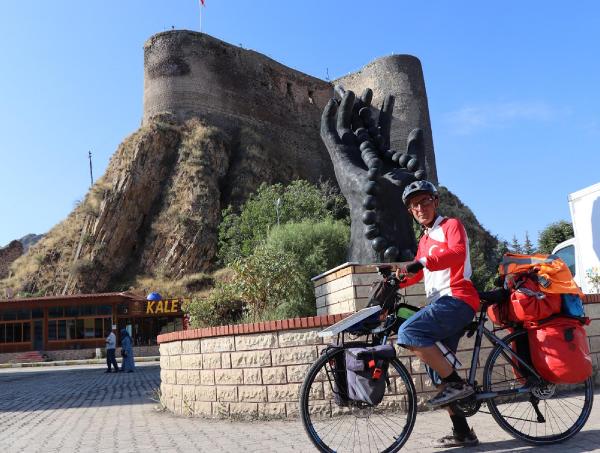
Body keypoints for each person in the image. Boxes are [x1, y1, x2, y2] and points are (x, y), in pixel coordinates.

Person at [395, 180, 480, 448]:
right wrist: (396, 278)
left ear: (435, 202)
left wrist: (421, 262)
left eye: (424, 201)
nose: (420, 207)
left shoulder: (450, 225)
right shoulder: (425, 240)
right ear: (410, 211)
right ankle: (463, 432)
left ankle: (457, 383)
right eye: (414, 205)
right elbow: (419, 272)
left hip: (457, 298)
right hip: (440, 304)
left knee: (408, 331)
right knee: (436, 372)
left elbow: (456, 254)